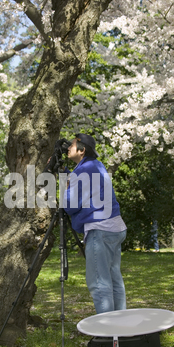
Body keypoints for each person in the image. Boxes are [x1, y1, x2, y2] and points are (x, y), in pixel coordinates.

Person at [63, 133, 127, 314]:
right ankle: (119, 326)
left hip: (100, 230)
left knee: (99, 282)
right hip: (115, 228)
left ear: (82, 150)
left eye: (72, 145)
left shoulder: (84, 170)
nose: (68, 148)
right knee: (114, 279)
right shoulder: (95, 166)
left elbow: (69, 205)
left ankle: (107, 330)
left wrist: (64, 185)